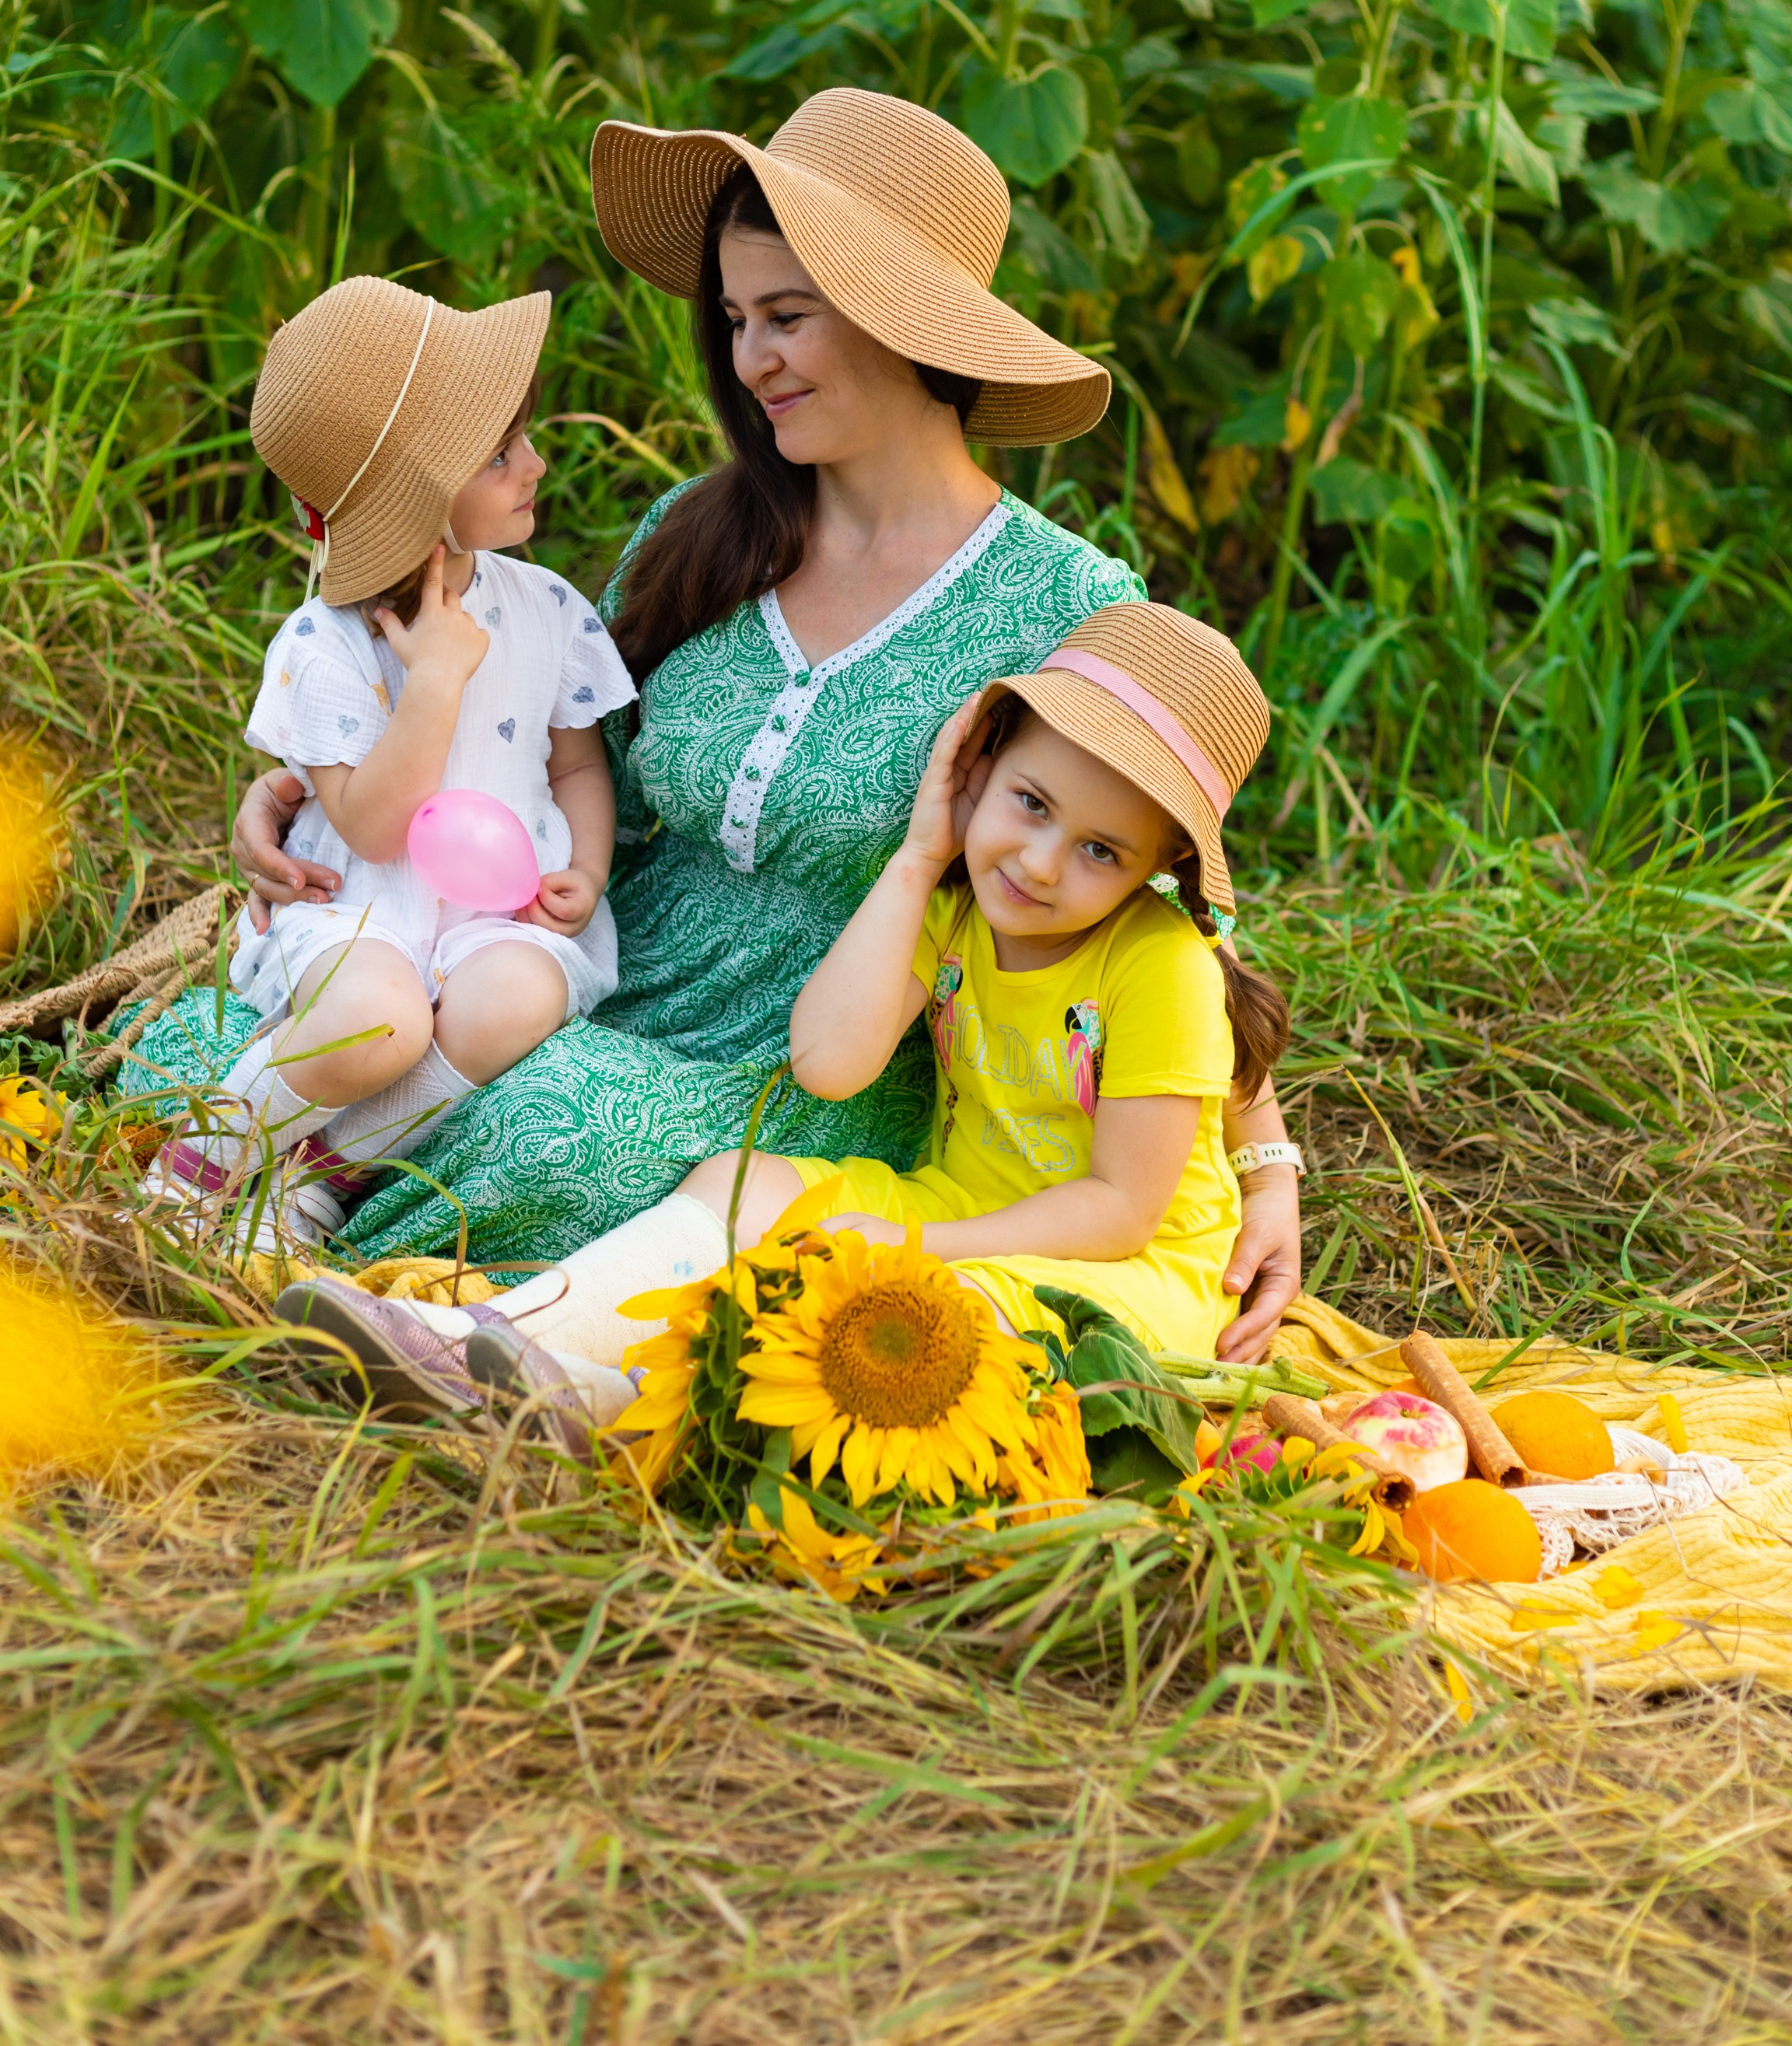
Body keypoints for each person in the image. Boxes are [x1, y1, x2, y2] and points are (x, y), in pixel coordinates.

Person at [145, 87, 1299, 1355]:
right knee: (314, 1025)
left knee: (551, 1123)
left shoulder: (1062, 604)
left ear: (900, 321)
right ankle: (265, 1202)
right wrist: (311, 791)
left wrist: (1265, 1161)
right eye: (739, 319)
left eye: (788, 318)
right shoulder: (699, 534)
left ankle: (295, 1228)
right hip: (580, 970)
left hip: (810, 1062)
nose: (752, 360)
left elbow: (1175, 899)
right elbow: (517, 739)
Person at [273, 601, 1301, 1427]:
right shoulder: (955, 910)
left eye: (1100, 851)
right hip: (962, 1201)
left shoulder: (1160, 965)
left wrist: (927, 1249)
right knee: (741, 1185)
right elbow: (829, 1062)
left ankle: (610, 1402)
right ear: (978, 768)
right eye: (1030, 804)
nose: (1039, 863)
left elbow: (1120, 1208)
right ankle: (503, 1342)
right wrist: (919, 856)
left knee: (921, 1312)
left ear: (1158, 870)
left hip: (1126, 1271)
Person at [145, 278, 633, 1250]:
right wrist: (436, 680)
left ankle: (326, 1175)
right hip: (361, 903)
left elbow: (576, 764)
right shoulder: (322, 646)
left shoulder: (545, 606)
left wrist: (588, 863)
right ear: (416, 498)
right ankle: (206, 1161)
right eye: (500, 454)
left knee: (519, 1000)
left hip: (503, 909)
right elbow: (370, 824)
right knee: (380, 1021)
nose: (535, 463)